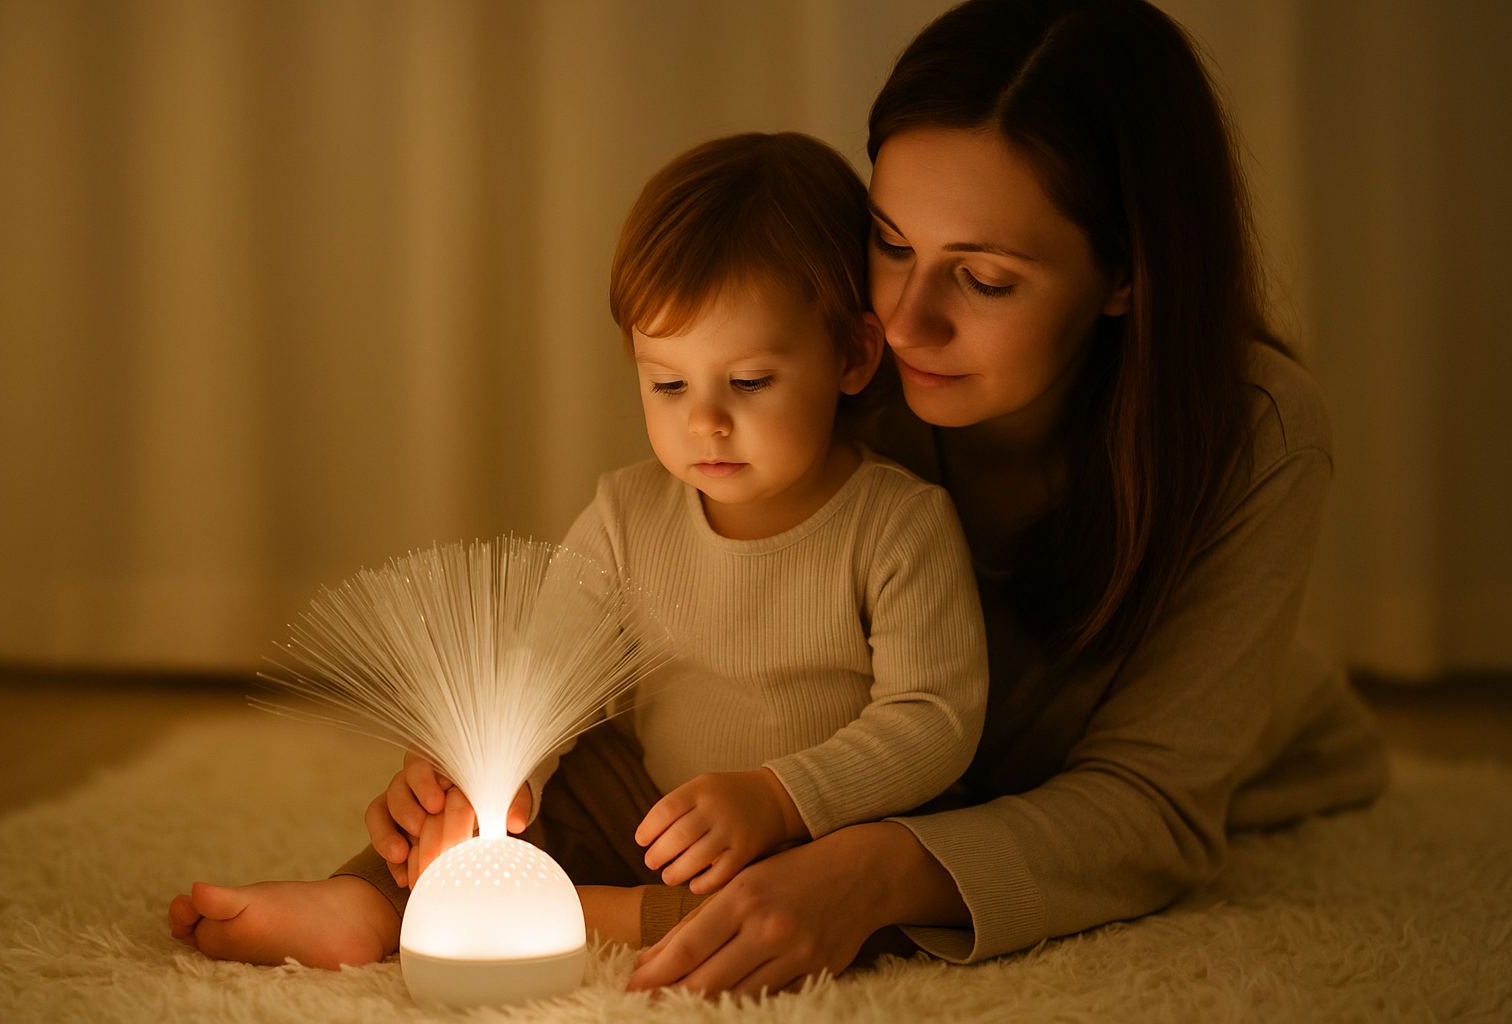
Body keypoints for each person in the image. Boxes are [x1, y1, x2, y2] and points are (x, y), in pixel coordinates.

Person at [617, 0, 1390, 995]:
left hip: (1261, 746)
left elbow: (1152, 799)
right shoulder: (838, 359)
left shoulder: (1256, 431)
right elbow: (670, 594)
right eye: (891, 243)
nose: (902, 323)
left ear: (1124, 274)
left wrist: (873, 872)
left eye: (983, 278)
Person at [167, 132, 989, 969]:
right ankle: (370, 900)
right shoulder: (629, 511)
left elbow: (935, 720)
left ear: (852, 355)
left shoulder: (898, 522)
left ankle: (586, 914)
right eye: (668, 383)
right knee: (539, 779)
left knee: (842, 901)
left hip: (819, 829)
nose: (703, 420)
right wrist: (490, 772)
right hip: (655, 804)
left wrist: (780, 799)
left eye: (748, 383)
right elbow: (548, 668)